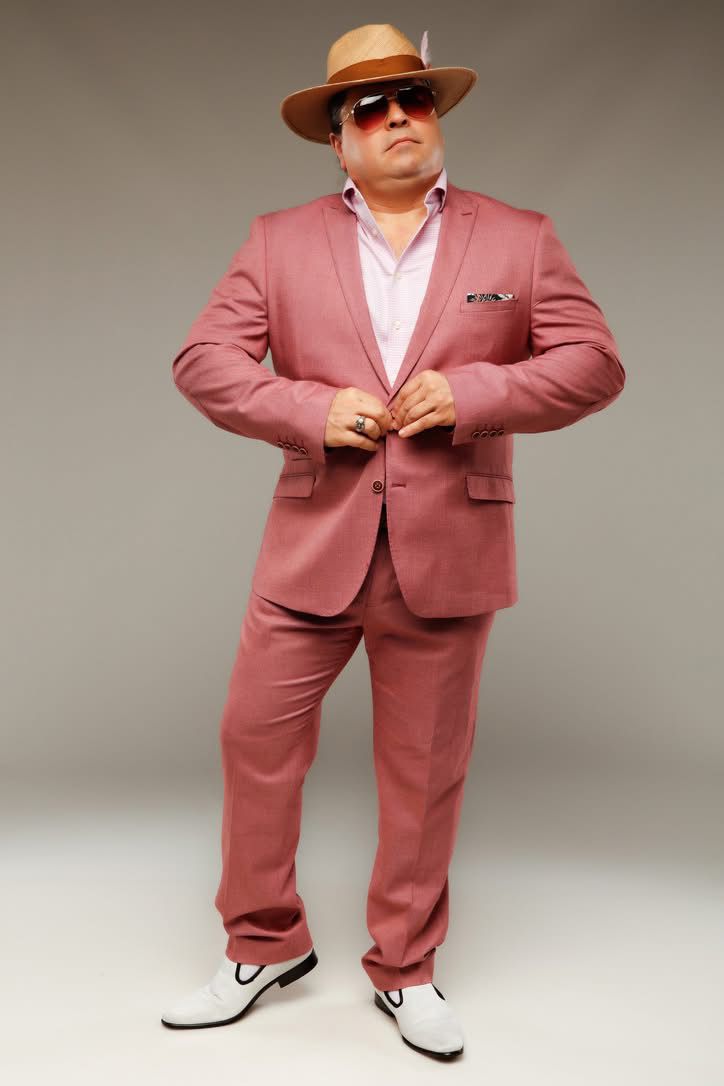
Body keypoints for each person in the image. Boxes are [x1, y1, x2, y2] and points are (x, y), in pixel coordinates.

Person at [160, 23, 625, 1059]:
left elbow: (594, 363)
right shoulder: (277, 240)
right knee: (254, 741)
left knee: (423, 772)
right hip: (310, 546)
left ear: (436, 113)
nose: (398, 117)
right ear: (338, 141)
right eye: (368, 108)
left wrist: (476, 394)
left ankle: (407, 967)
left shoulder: (521, 238)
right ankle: (262, 944)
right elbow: (204, 361)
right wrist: (305, 408)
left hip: (450, 550)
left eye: (414, 98)